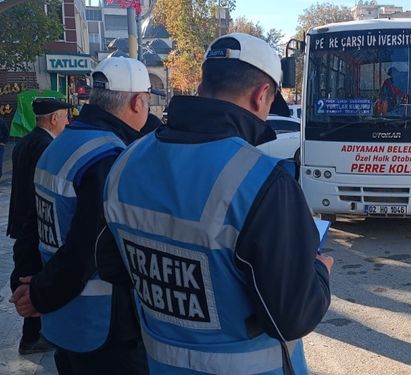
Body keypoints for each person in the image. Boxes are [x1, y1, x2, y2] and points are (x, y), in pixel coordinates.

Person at [101, 33, 333, 374]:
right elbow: (291, 318)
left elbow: (112, 266)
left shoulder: (125, 163)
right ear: (261, 95)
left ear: (201, 86)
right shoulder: (264, 182)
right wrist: (319, 272)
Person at [10, 57, 150, 374]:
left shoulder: (63, 143)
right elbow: (87, 248)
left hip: (62, 319)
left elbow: (35, 222)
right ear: (138, 101)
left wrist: (30, 282)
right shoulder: (109, 157)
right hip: (102, 326)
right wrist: (39, 294)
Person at [7, 99, 71, 355]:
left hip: (20, 219)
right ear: (54, 118)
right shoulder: (46, 146)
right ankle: (32, 336)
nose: (67, 122)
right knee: (31, 274)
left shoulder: (24, 143)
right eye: (65, 117)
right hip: (33, 221)